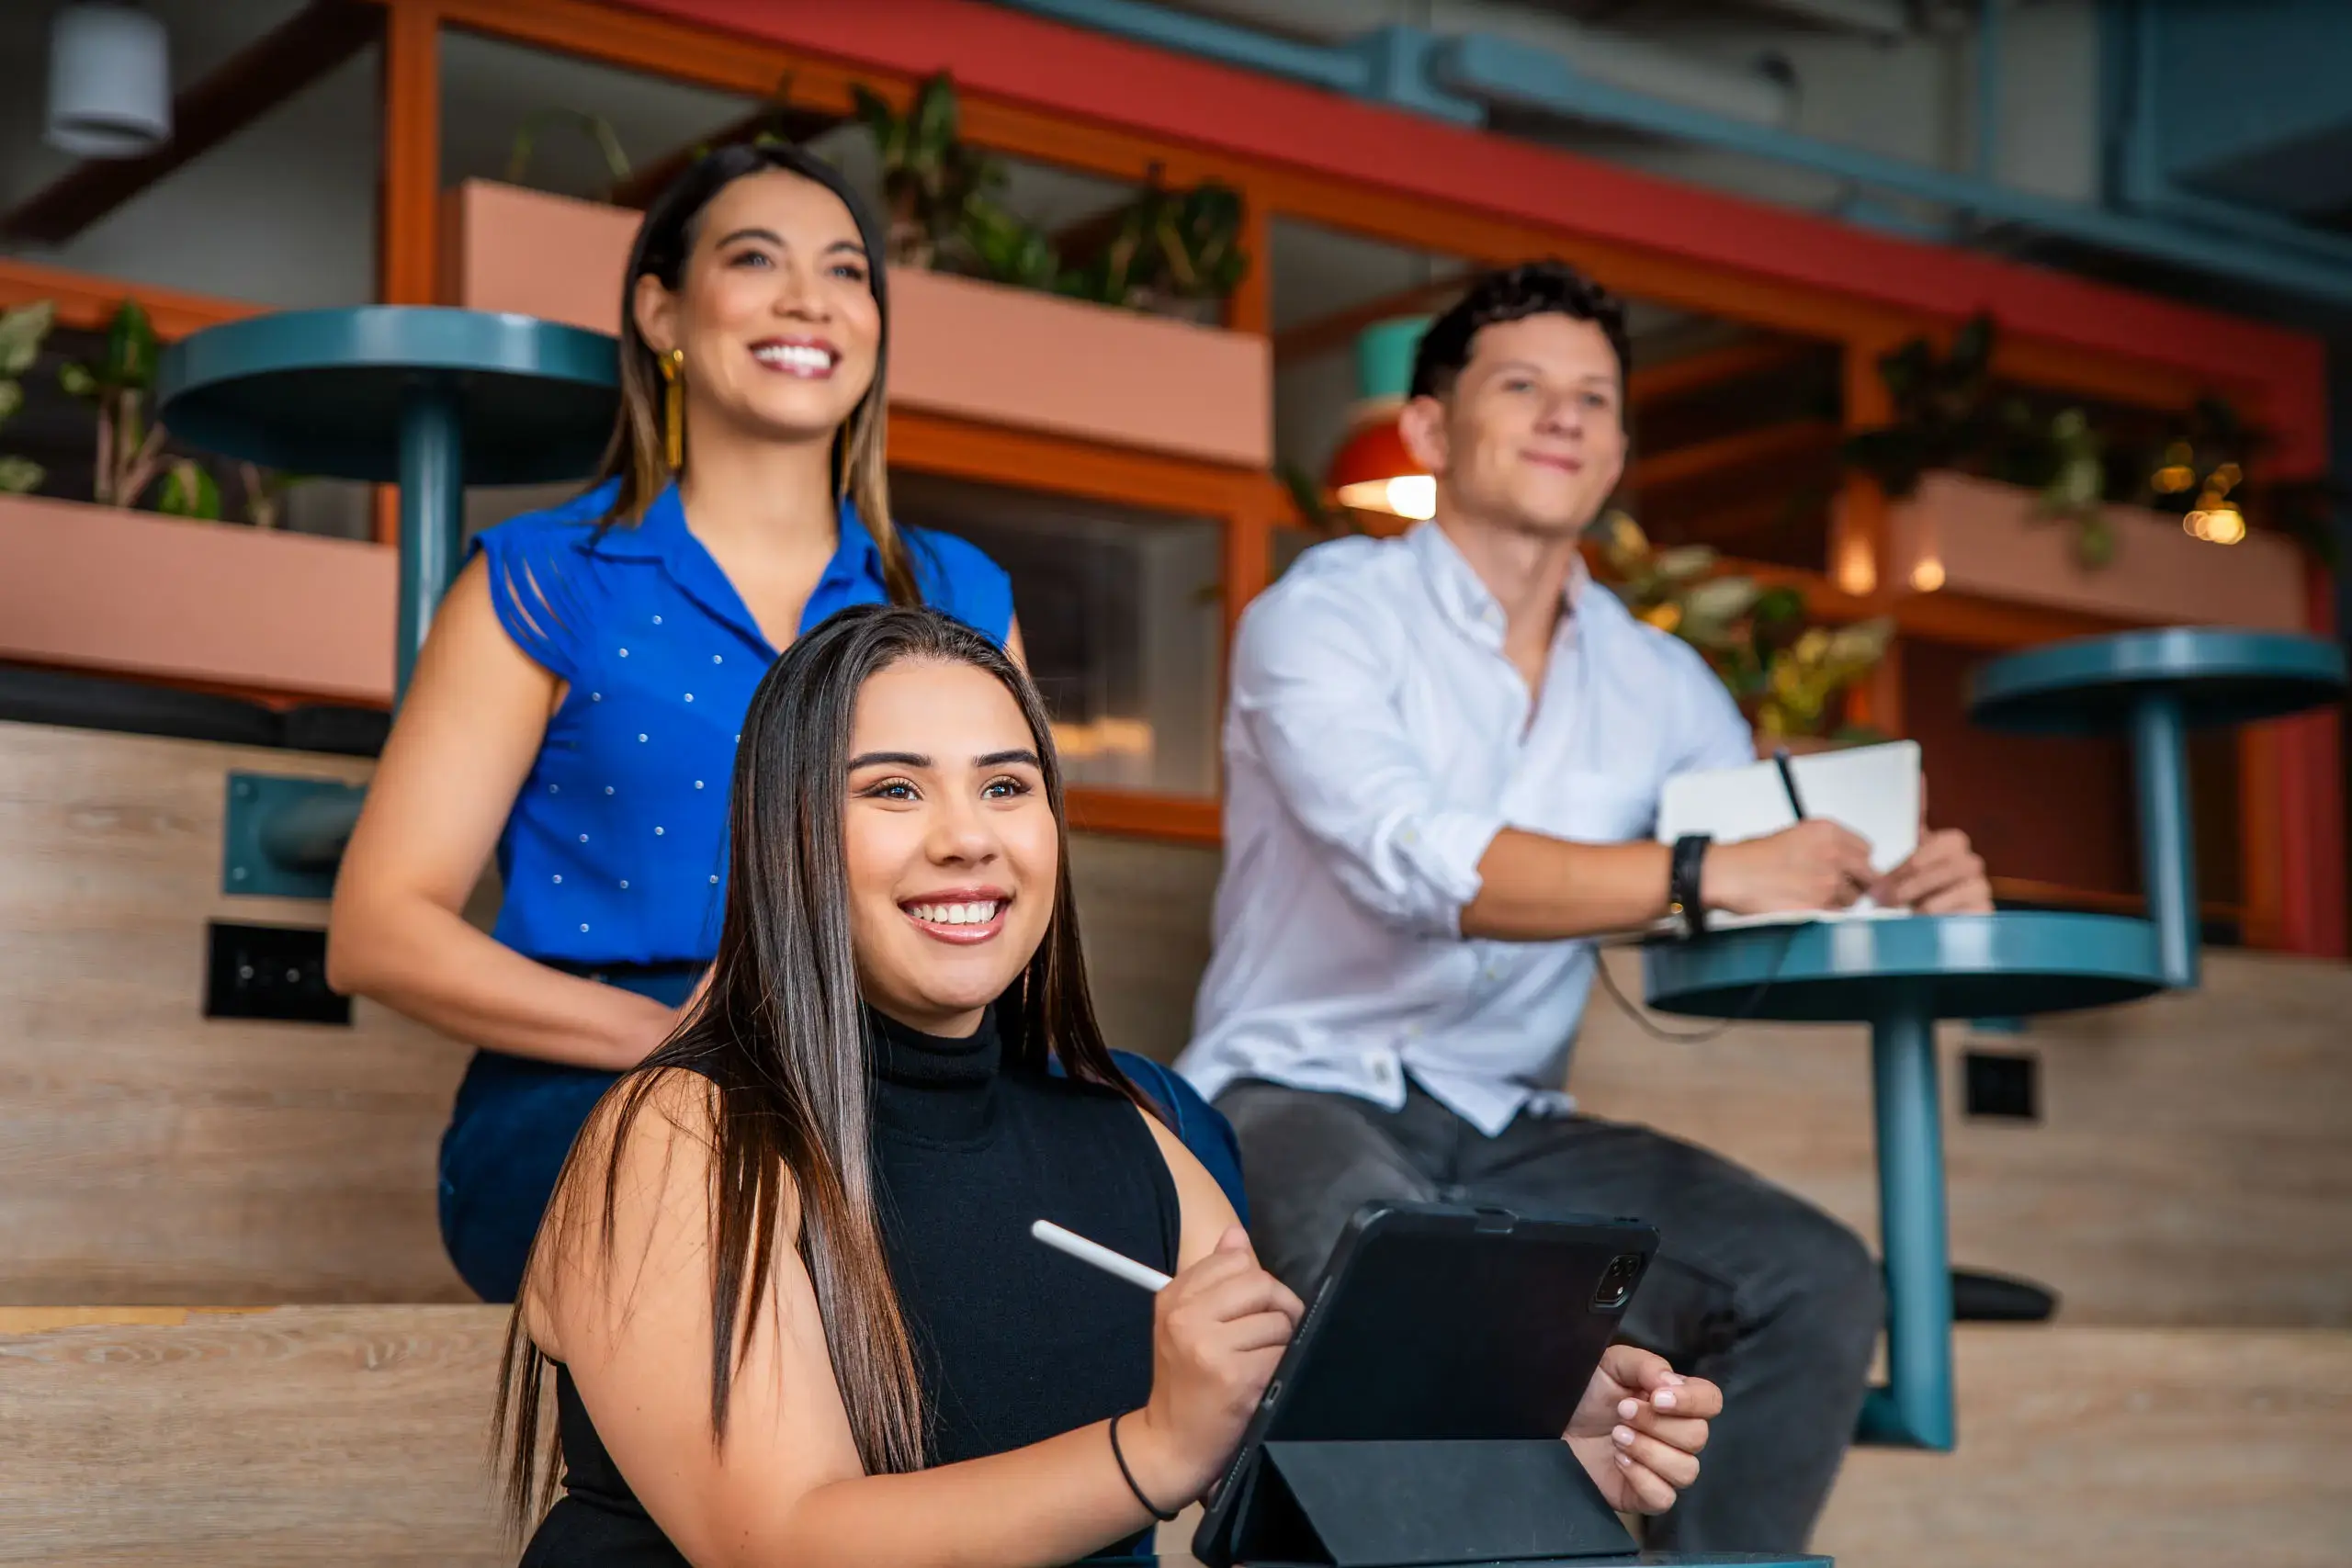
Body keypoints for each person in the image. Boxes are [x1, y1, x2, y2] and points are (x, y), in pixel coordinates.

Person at [497, 604, 1723, 1566]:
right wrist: (1151, 1448)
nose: (968, 834)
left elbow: (1283, 1477)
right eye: (893, 787)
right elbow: (781, 1539)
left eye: (1006, 783)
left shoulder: (1138, 1126)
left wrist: (1525, 1449)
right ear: (789, 834)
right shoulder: (682, 1130)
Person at [327, 142, 1238, 1306]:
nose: (810, 298)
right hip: (616, 1079)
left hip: (900, 1065)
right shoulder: (548, 581)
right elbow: (377, 929)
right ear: (661, 309)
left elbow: (1011, 882)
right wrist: (678, 1033)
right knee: (796, 1172)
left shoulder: (957, 593)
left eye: (847, 271)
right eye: (756, 259)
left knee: (1178, 1132)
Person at [1179, 261, 1995, 1554]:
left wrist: (1903, 886)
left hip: (1516, 1124)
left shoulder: (1661, 679)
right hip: (1295, 1088)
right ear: (1435, 427)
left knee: (1817, 1275)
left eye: (1595, 398)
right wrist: (1693, 872)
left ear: (1617, 448)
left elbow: (1760, 861)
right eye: (1523, 385)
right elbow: (1420, 860)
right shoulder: (1320, 618)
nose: (1565, 416)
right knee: (1428, 1274)